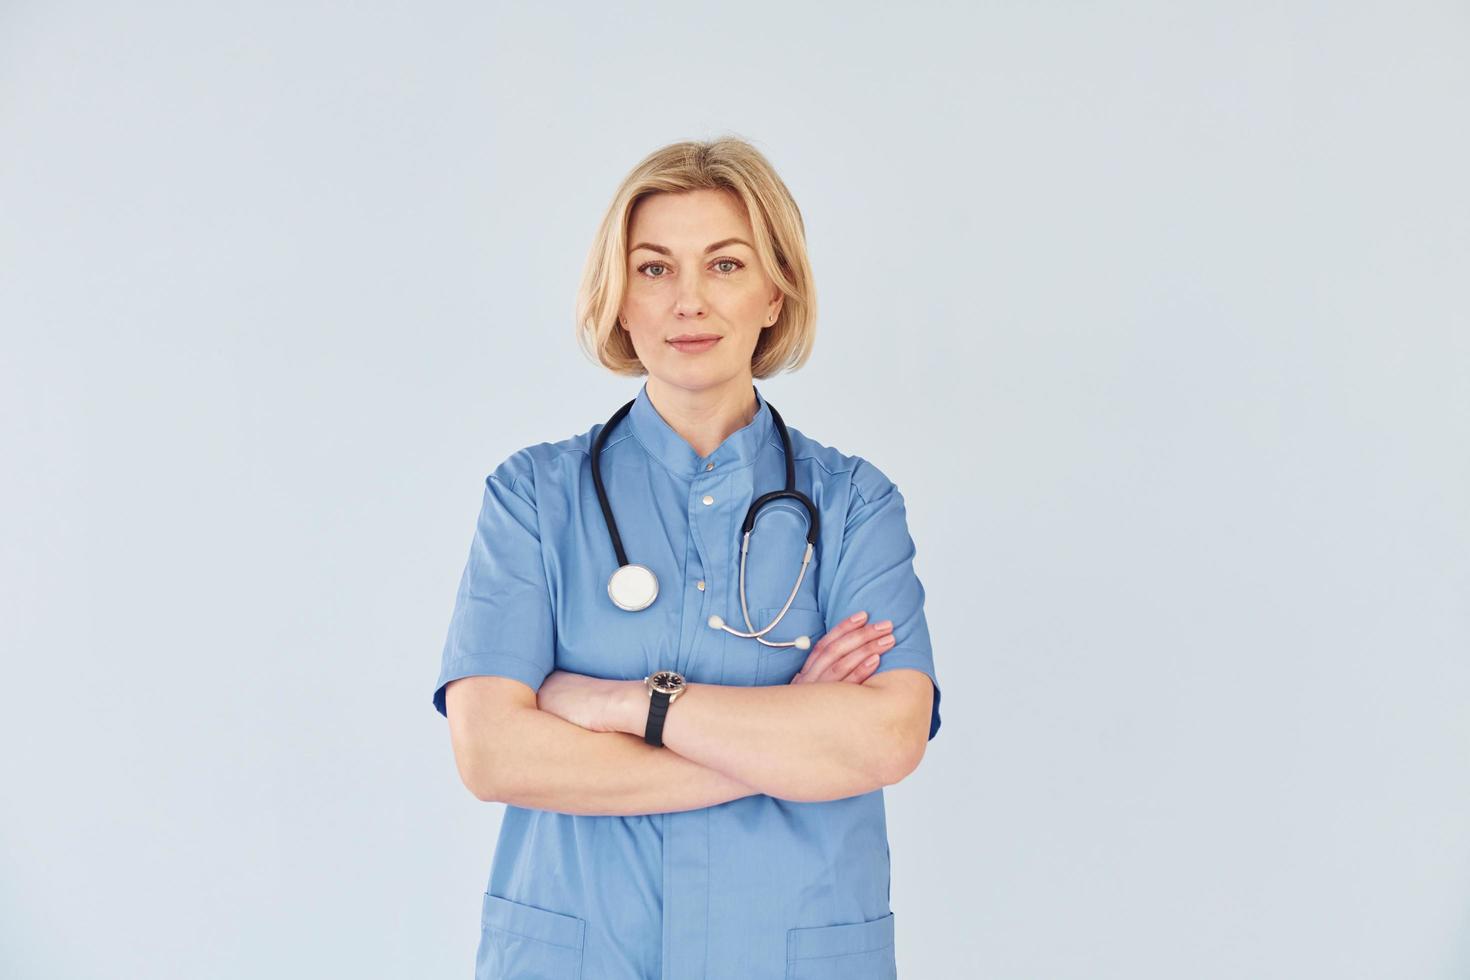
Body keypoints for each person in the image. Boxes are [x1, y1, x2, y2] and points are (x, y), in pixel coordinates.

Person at [433, 136, 942, 980]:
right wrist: (781, 751)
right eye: (655, 268)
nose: (689, 302)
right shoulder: (532, 497)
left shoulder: (854, 505)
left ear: (776, 292)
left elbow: (885, 739)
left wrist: (628, 705)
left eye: (727, 265)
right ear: (619, 299)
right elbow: (493, 755)